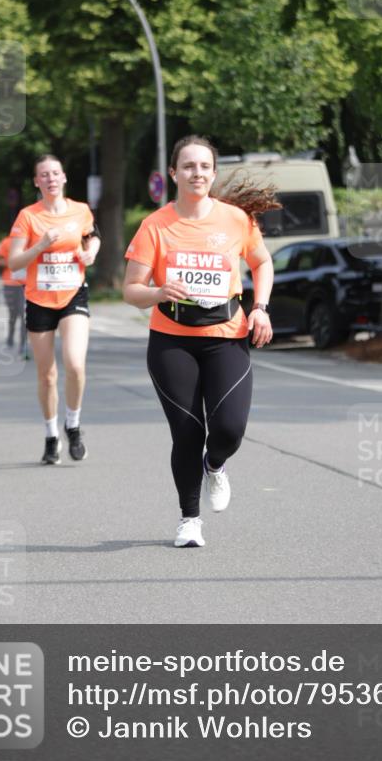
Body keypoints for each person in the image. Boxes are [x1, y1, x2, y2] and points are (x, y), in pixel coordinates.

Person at [123, 135, 276, 548]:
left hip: (226, 337)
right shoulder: (155, 226)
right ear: (174, 173)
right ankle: (189, 519)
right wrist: (157, 292)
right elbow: (130, 290)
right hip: (172, 341)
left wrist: (259, 307)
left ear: (213, 172)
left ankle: (216, 464)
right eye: (189, 166)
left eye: (205, 166)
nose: (198, 173)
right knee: (187, 433)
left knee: (228, 429)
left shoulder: (235, 219)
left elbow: (261, 262)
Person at [8, 154, 101, 465]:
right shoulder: (27, 217)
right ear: (37, 181)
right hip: (38, 300)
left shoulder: (80, 210)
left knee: (75, 364)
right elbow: (14, 262)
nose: (50, 178)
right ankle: (51, 436)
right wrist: (40, 246)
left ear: (64, 178)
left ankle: (72, 426)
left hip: (73, 295)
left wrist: (91, 254)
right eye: (43, 175)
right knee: (46, 376)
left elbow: (93, 236)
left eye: (55, 173)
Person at [0, 235, 27, 357]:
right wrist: (12, 262)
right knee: (13, 313)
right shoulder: (7, 241)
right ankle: (10, 337)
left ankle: (24, 344)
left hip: (28, 284)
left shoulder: (35, 241)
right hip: (10, 283)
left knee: (24, 314)